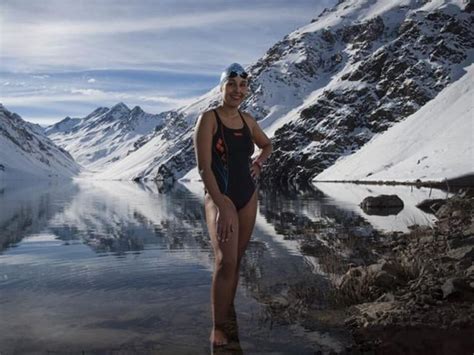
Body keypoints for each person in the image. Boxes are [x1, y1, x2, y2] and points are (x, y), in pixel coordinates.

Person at [193, 63, 273, 346]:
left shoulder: (248, 120)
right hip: (219, 197)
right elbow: (204, 169)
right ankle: (218, 328)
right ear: (222, 88)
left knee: (236, 261)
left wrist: (259, 164)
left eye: (242, 86)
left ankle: (227, 311)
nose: (237, 91)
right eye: (231, 85)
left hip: (248, 196)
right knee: (224, 261)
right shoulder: (209, 119)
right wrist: (222, 204)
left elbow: (267, 145)